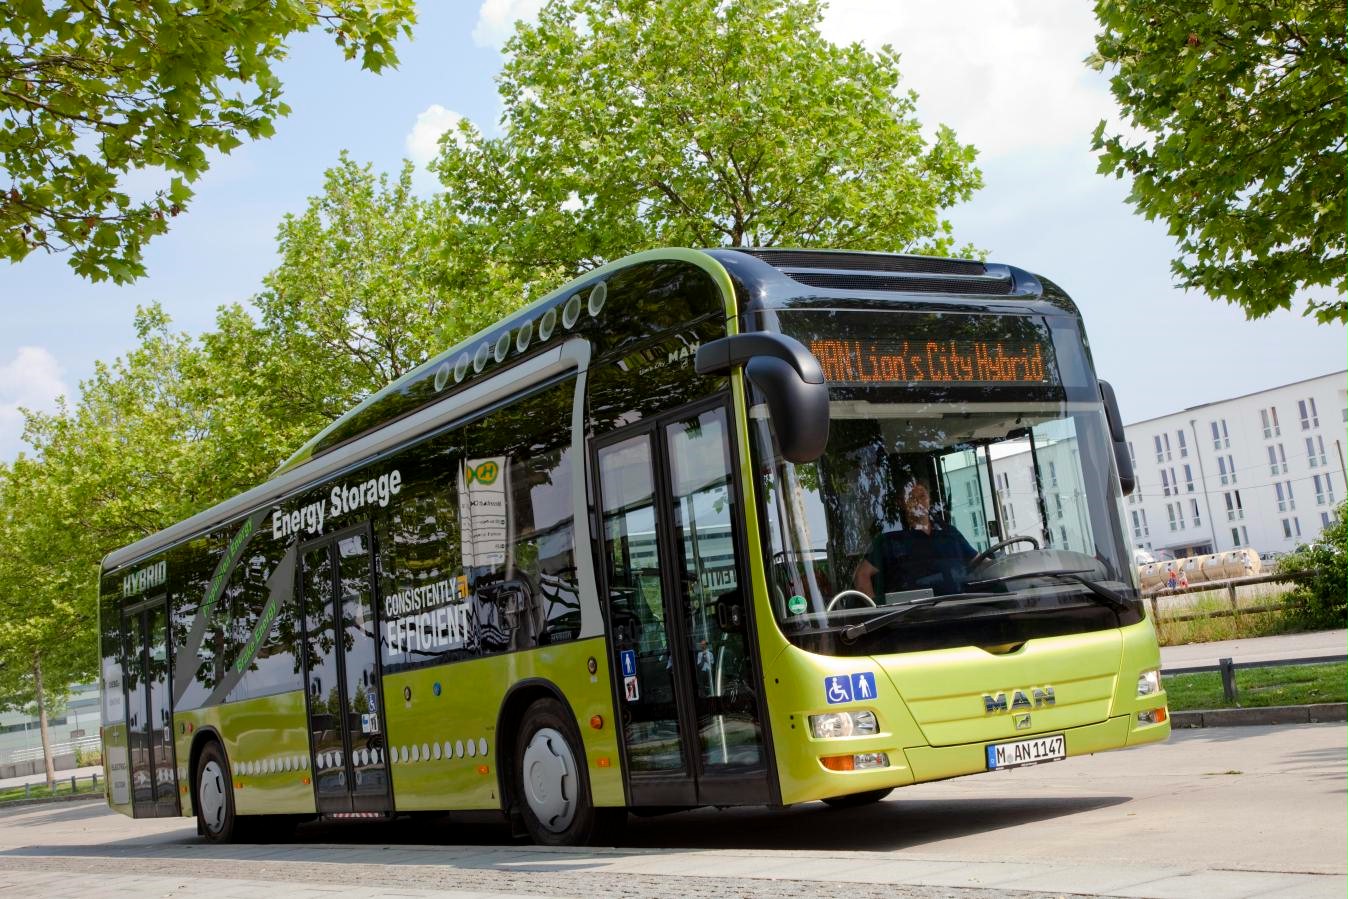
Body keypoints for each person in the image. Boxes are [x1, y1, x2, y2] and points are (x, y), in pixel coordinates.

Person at [853, 480, 977, 600]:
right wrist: (879, 610)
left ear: (929, 499)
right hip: (913, 612)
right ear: (902, 503)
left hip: (960, 606)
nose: (918, 502)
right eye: (912, 498)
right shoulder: (891, 541)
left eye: (922, 496)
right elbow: (861, 575)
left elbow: (979, 562)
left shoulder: (949, 533)